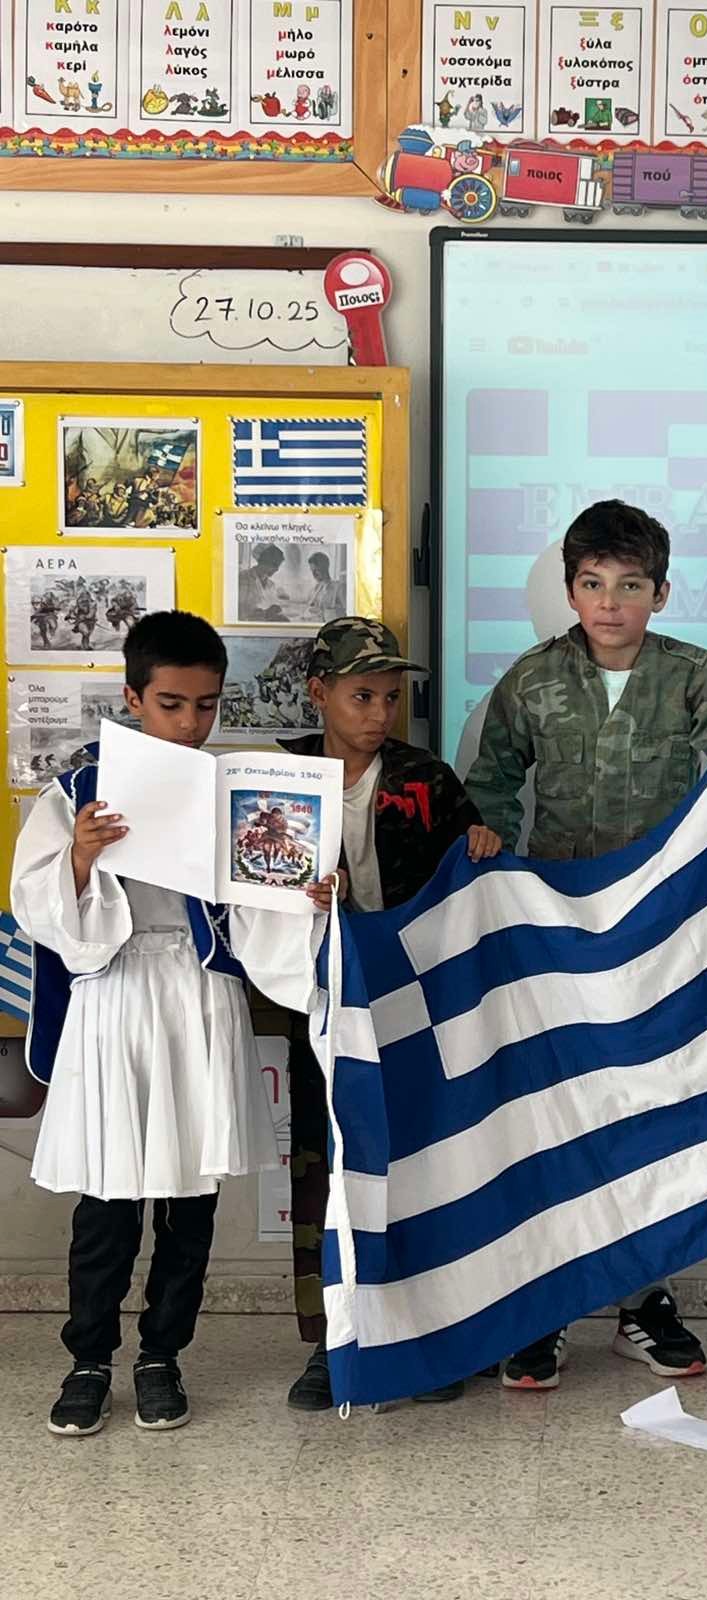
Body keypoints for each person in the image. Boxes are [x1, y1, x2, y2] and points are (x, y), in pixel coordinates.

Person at [465, 500, 707, 1390]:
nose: (609, 603)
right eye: (592, 584)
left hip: (663, 931)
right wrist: (487, 836)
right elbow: (490, 783)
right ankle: (544, 1304)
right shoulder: (530, 681)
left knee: (652, 1111)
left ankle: (643, 1299)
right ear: (570, 589)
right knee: (559, 1116)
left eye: (629, 586)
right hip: (558, 935)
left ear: (660, 592)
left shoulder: (695, 679)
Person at [11, 612, 280, 1437]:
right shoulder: (77, 793)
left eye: (206, 705)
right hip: (115, 994)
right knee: (107, 1195)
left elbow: (258, 912)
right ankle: (89, 1360)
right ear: (132, 698)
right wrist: (80, 857)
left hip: (198, 993)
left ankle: (163, 1354)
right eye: (171, 704)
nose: (191, 723)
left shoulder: (238, 791)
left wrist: (297, 889)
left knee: (190, 1197)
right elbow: (36, 907)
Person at [279, 616, 502, 1412]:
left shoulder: (425, 778)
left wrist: (482, 843)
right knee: (328, 1169)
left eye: (390, 697)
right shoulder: (280, 779)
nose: (379, 713)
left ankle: (427, 1336)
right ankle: (332, 1342)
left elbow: (473, 871)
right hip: (323, 1007)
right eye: (361, 696)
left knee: (422, 1165)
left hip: (413, 1005)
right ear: (319, 693)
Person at [238, 542, 288, 622]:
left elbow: (270, 607)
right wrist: (265, 613)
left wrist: (275, 610)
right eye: (274, 564)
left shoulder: (271, 585)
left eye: (278, 566)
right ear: (263, 561)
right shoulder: (243, 578)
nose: (276, 569)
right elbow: (240, 612)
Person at [304, 552, 340, 623]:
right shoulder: (315, 589)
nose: (314, 574)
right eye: (312, 571)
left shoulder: (338, 588)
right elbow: (309, 608)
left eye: (316, 570)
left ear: (324, 568)